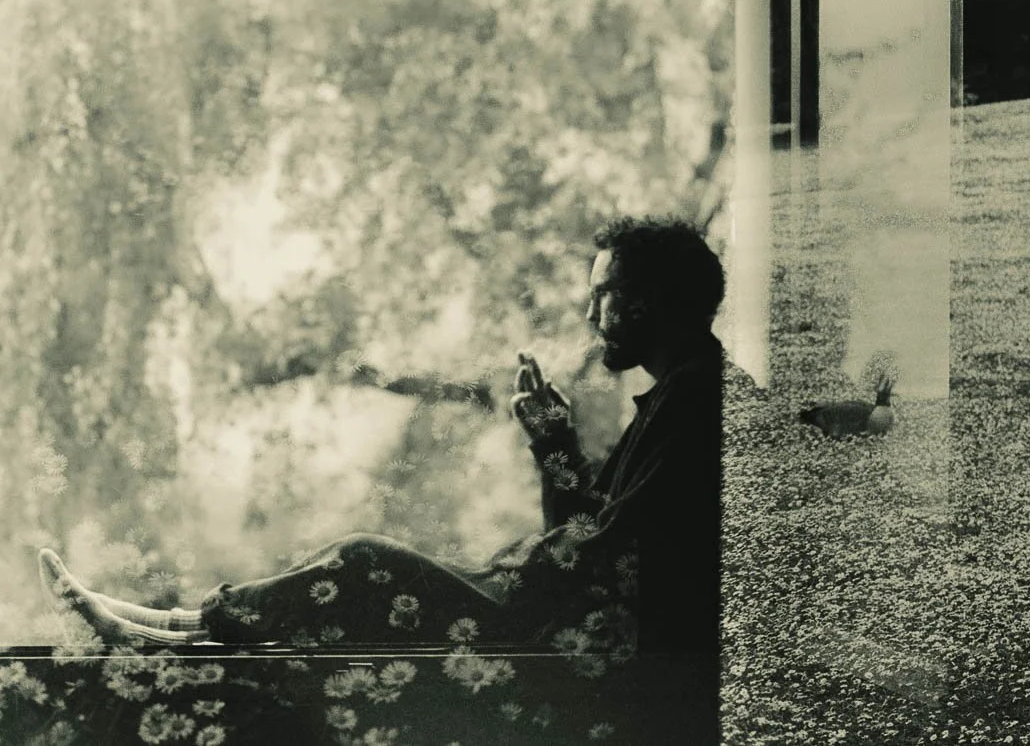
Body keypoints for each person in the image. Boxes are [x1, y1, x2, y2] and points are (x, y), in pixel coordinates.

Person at [38, 215, 749, 675]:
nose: (591, 313)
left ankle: (166, 634)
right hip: (561, 612)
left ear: (649, 300)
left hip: (581, 635)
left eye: (604, 294)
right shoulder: (681, 392)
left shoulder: (696, 398)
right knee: (347, 564)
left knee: (361, 561)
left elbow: (612, 555)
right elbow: (594, 535)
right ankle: (174, 628)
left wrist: (517, 563)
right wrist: (553, 445)